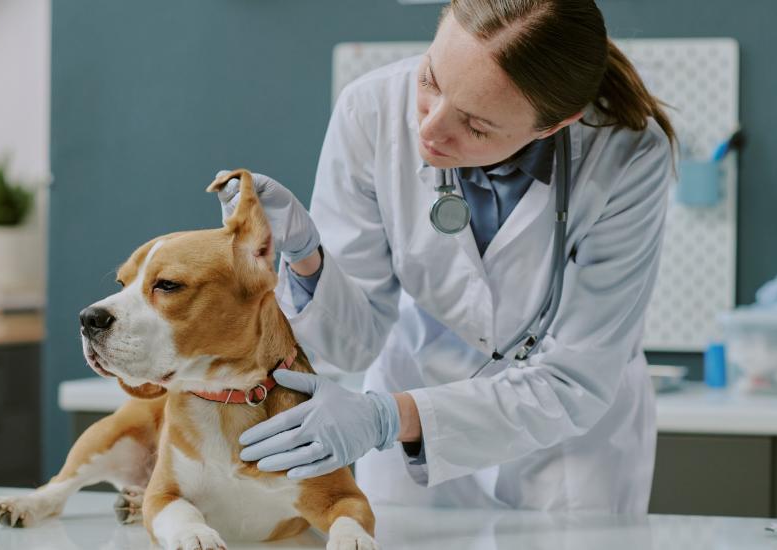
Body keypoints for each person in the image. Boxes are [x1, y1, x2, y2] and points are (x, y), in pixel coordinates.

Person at [215, 0, 677, 513]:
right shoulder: (369, 111)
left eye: (477, 126)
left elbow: (575, 378)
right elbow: (350, 347)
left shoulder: (629, 154)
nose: (429, 130)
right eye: (430, 81)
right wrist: (306, 259)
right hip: (413, 383)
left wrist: (388, 418)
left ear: (553, 125)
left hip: (567, 441)